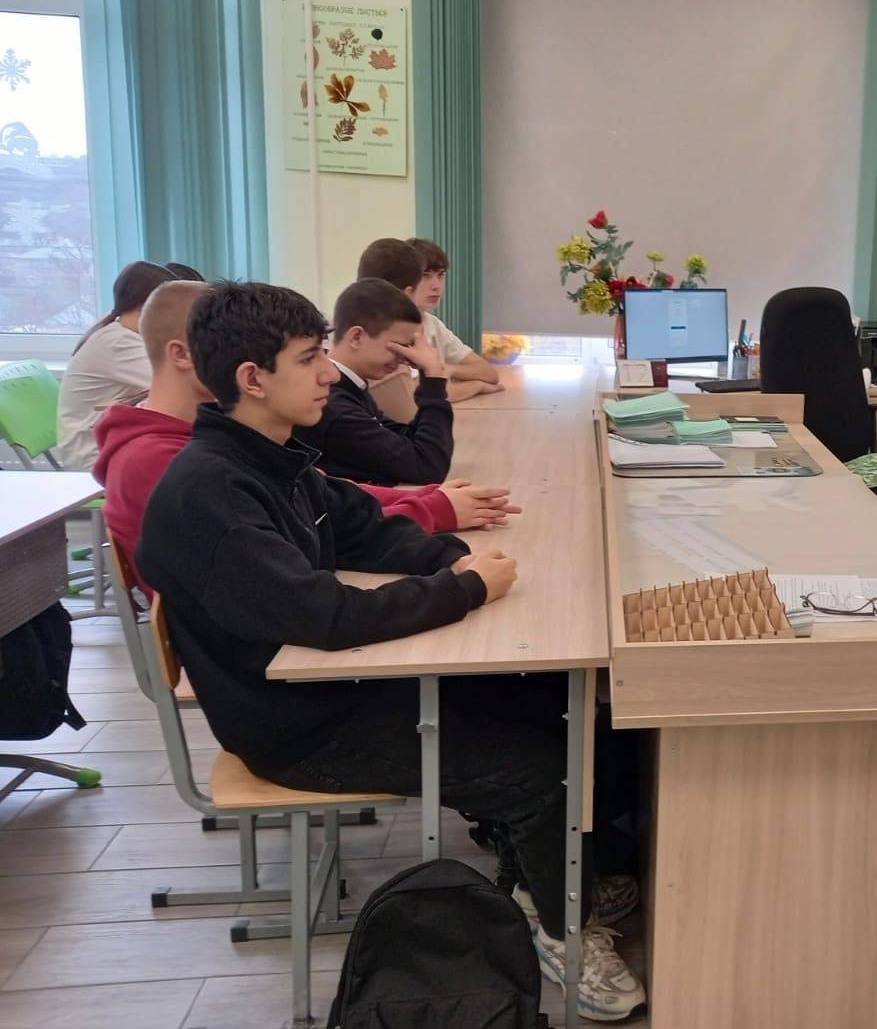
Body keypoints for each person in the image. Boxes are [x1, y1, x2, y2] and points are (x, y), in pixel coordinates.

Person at [136, 281, 646, 1020]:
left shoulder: (272, 457)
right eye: (308, 359)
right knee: (539, 769)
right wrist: (461, 591)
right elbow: (328, 616)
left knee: (551, 699)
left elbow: (365, 530)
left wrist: (455, 559)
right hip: (296, 725)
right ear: (253, 379)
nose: (326, 375)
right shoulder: (212, 493)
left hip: (333, 686)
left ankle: (549, 877)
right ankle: (561, 932)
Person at [93, 279, 518, 598]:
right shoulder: (168, 463)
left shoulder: (226, 442)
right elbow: (292, 575)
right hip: (264, 650)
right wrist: (433, 513)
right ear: (183, 355)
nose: (326, 373)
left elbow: (324, 497)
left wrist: (431, 500)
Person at [294, 278, 455, 485]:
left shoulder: (352, 387)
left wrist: (427, 375)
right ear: (356, 337)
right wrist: (433, 377)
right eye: (399, 346)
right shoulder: (333, 405)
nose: (405, 358)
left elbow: (407, 441)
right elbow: (428, 466)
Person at [56, 261, 173, 469]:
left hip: (105, 441)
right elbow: (176, 384)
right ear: (147, 306)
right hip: (91, 454)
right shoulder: (119, 342)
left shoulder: (119, 331)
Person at [356, 238, 501, 403]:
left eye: (441, 275)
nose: (436, 286)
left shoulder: (432, 323)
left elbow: (489, 373)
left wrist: (448, 369)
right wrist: (476, 386)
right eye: (425, 275)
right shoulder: (386, 329)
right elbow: (416, 396)